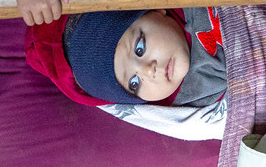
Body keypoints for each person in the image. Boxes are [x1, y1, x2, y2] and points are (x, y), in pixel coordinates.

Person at [25, 6, 226, 106]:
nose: (148, 70)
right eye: (135, 83)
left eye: (140, 48)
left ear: (156, 9)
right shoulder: (199, 99)